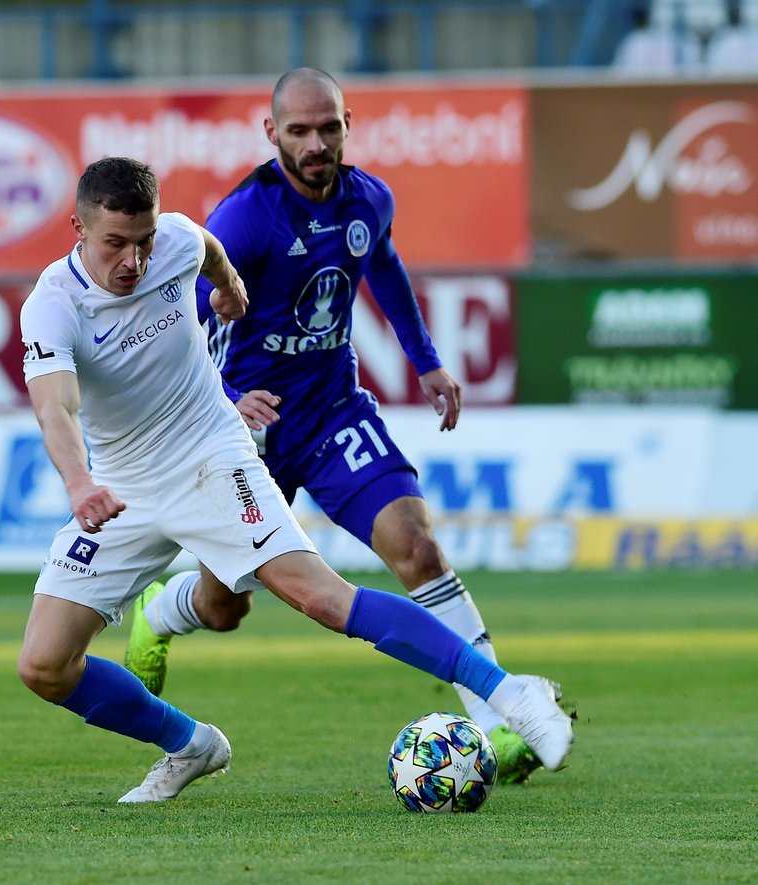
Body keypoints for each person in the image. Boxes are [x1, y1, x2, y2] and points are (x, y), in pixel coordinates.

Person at [18, 155, 573, 804]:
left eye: (142, 243)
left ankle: (511, 692)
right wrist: (80, 484)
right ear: (77, 229)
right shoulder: (53, 305)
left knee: (321, 599)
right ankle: (192, 744)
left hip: (212, 460)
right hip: (119, 488)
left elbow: (204, 245)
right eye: (115, 244)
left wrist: (226, 285)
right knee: (45, 666)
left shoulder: (172, 238)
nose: (134, 261)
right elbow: (56, 407)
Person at [122, 68, 547, 784]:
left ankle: (499, 722)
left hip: (332, 410)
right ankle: (162, 610)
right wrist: (227, 393)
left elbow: (380, 261)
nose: (316, 144)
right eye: (299, 131)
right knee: (225, 606)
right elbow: (176, 316)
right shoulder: (246, 218)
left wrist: (427, 360)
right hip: (248, 434)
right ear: (271, 134)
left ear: (348, 123)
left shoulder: (369, 199)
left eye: (329, 128)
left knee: (416, 547)